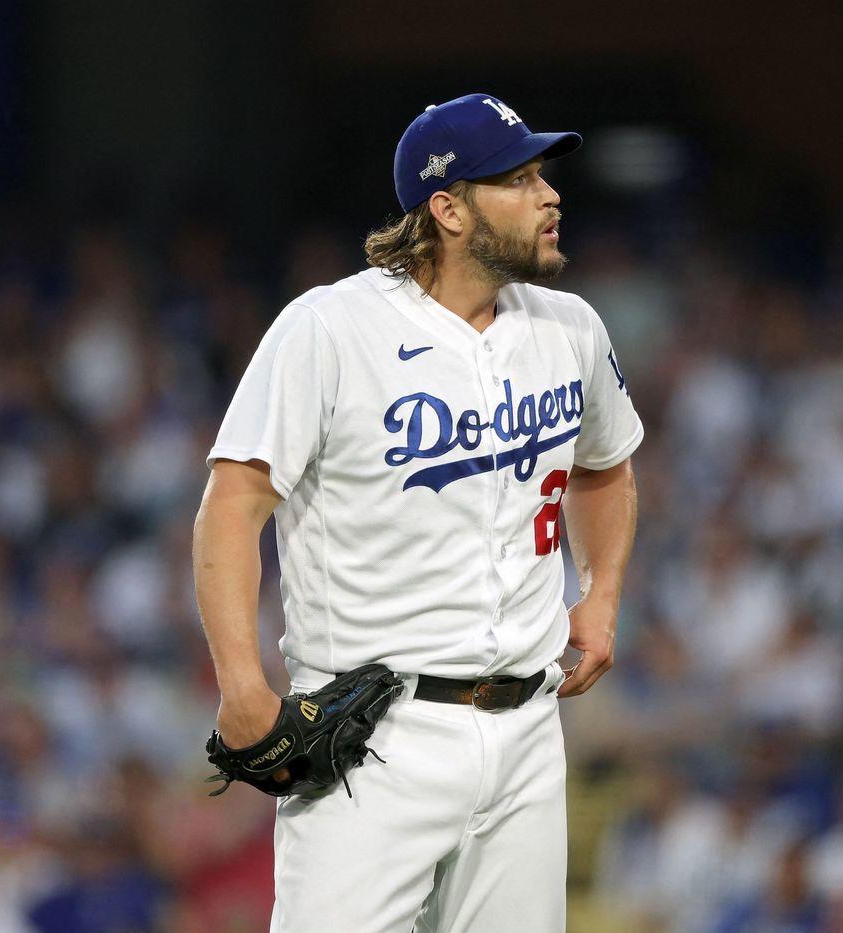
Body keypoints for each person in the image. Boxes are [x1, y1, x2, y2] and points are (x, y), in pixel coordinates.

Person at [193, 92, 642, 933]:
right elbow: (232, 504)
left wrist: (603, 591)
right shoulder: (330, 329)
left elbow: (606, 469)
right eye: (518, 179)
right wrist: (241, 684)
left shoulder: (570, 326)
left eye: (544, 174)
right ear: (449, 209)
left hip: (528, 733)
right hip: (373, 737)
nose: (550, 196)